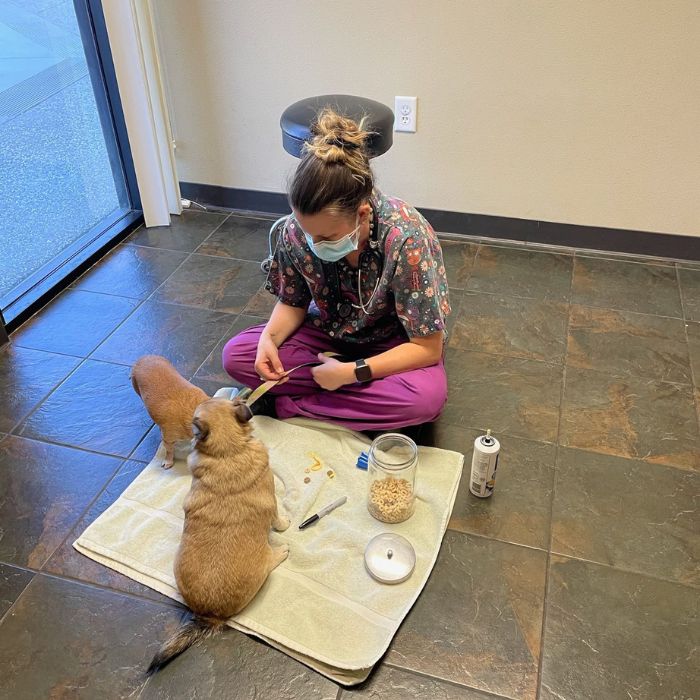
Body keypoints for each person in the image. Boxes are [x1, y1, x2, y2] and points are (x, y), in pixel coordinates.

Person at [222, 108, 451, 432]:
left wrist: (354, 372)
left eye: (326, 237)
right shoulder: (294, 231)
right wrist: (269, 342)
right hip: (328, 334)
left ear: (361, 213)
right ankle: (346, 399)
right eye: (307, 232)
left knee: (426, 400)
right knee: (237, 355)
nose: (313, 243)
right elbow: (292, 302)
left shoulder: (406, 240)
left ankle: (293, 404)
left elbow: (427, 348)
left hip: (392, 345)